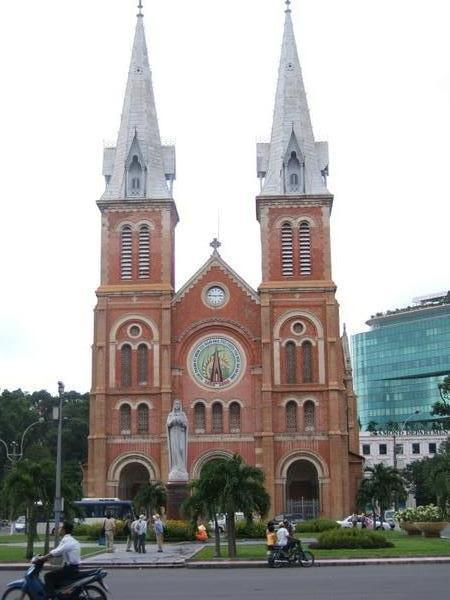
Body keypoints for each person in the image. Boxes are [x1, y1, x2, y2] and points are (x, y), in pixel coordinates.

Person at [37, 521, 81, 598]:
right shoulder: (67, 539)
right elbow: (59, 551)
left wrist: (43, 558)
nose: (59, 529)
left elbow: (57, 551)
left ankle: (51, 596)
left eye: (61, 527)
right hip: (70, 567)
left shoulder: (68, 540)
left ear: (64, 530)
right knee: (55, 578)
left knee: (48, 576)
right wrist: (47, 557)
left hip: (70, 568)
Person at [166, 399, 188, 482]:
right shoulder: (171, 414)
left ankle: (182, 468)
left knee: (182, 449)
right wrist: (173, 420)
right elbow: (168, 424)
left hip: (181, 433)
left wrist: (181, 421)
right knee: (174, 451)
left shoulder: (183, 414)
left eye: (179, 403)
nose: (177, 405)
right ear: (174, 405)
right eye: (176, 404)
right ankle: (175, 467)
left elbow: (186, 424)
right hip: (173, 434)